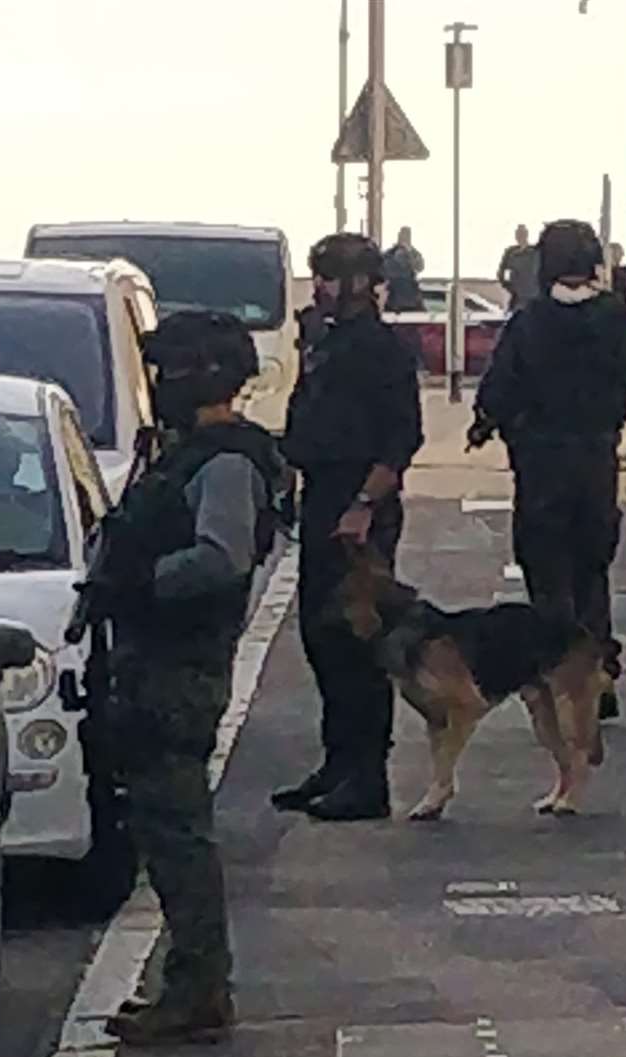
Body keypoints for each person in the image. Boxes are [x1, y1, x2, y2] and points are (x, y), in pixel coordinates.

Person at [77, 311, 288, 1045]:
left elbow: (221, 559)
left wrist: (140, 584)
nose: (158, 388)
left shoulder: (224, 462)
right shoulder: (187, 455)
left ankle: (199, 987)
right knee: (163, 831)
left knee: (177, 835)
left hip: (178, 670)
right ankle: (193, 983)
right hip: (155, 663)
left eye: (169, 374)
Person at [273, 233, 424, 821]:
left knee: (358, 640)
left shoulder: (382, 351)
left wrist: (364, 503)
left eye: (330, 277)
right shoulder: (326, 342)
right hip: (322, 498)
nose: (321, 288)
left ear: (361, 283)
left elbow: (399, 439)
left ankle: (368, 778)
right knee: (320, 636)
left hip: (359, 506)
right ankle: (337, 764)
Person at [468, 219, 626, 711]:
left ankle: (561, 680)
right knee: (593, 570)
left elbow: (500, 388)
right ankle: (600, 676)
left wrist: (486, 424)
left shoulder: (530, 321)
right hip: (595, 459)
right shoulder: (615, 315)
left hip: (541, 463)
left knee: (547, 575)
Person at [382, 226, 426, 313]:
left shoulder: (412, 254)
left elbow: (419, 267)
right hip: (397, 299)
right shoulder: (389, 254)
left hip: (405, 299)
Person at [497, 224, 540, 312]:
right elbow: (501, 273)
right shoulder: (510, 252)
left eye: (522, 233)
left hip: (533, 295)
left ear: (526, 235)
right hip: (518, 297)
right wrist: (511, 287)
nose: (520, 236)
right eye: (518, 234)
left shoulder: (535, 252)